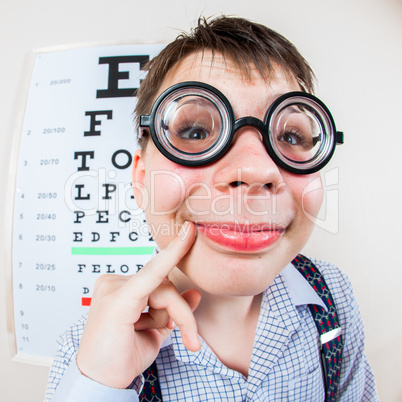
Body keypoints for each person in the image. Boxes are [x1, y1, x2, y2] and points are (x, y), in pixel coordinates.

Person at [45, 16, 378, 401]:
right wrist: (98, 386)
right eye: (195, 132)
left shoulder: (334, 296)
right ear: (140, 181)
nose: (255, 169)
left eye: (290, 135)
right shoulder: (87, 354)